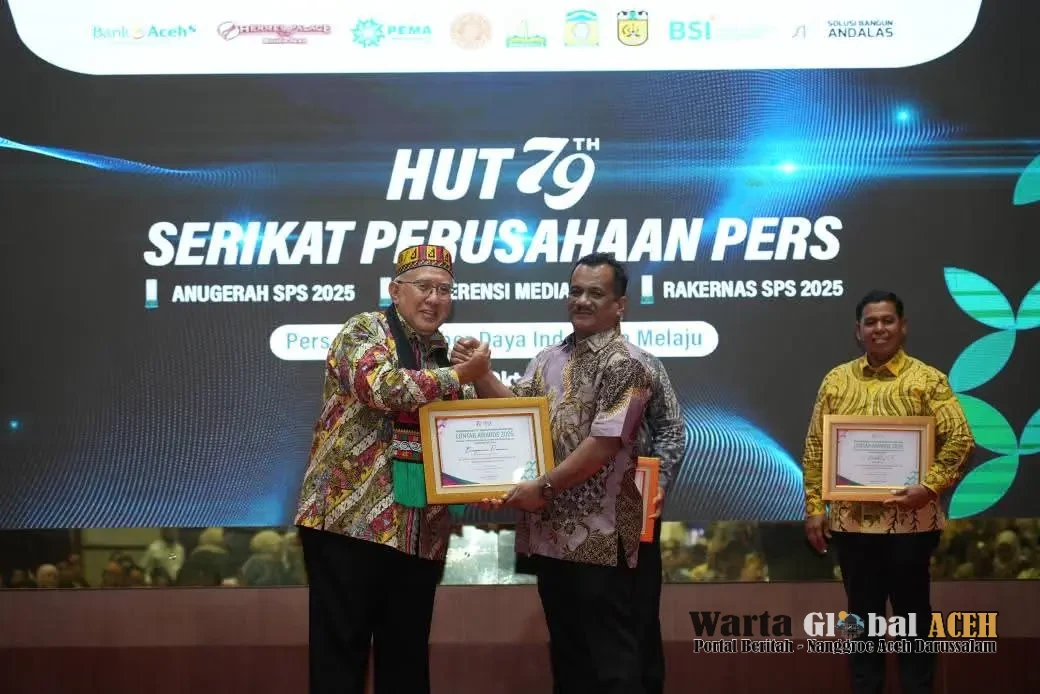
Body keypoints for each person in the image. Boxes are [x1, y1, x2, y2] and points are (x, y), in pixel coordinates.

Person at [293, 244, 490, 694]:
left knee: (406, 663)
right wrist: (460, 375)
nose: (434, 299)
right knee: (340, 659)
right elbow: (383, 388)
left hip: (419, 531)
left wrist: (473, 378)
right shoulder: (364, 330)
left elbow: (464, 432)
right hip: (349, 524)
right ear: (395, 290)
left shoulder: (442, 354)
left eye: (444, 290)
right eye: (424, 287)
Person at [453, 252, 653, 694]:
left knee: (612, 665)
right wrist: (481, 374)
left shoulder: (627, 364)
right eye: (576, 291)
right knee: (568, 659)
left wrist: (543, 486)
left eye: (596, 293)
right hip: (550, 536)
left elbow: (604, 444)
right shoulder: (547, 358)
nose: (582, 301)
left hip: (601, 538)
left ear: (620, 305)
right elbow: (517, 414)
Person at [802, 290, 975, 694]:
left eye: (887, 320)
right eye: (870, 322)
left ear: (903, 326)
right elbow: (815, 447)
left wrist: (928, 487)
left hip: (911, 526)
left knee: (914, 621)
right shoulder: (836, 380)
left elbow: (962, 440)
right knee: (861, 623)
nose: (879, 328)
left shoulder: (928, 380)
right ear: (858, 330)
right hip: (852, 526)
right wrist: (814, 506)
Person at [629, 347, 685, 694]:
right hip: (569, 519)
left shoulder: (645, 364)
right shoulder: (550, 361)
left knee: (641, 616)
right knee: (576, 621)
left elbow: (671, 428)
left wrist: (659, 482)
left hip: (637, 505)